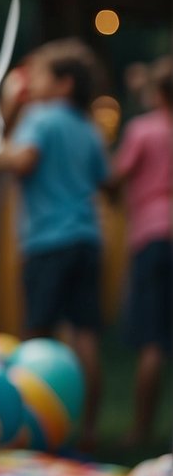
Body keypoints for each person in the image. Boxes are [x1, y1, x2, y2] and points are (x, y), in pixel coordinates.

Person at [0, 38, 109, 452]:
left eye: (41, 74)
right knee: (86, 334)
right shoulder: (89, 127)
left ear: (63, 83)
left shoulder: (41, 117)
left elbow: (23, 161)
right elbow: (104, 179)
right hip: (87, 237)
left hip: (47, 240)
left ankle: (31, 425)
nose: (32, 82)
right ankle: (90, 430)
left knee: (37, 333)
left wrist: (1, 148)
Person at [106, 59, 171, 449]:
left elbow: (116, 178)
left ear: (159, 93)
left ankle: (140, 431)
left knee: (151, 340)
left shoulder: (143, 130)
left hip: (152, 236)